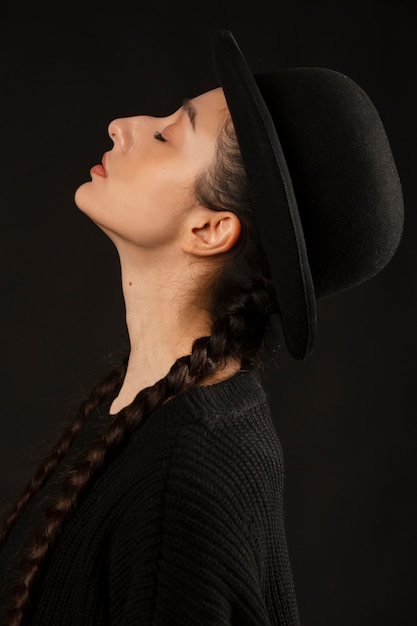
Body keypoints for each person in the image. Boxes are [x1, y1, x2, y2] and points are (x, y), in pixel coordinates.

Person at [0, 29, 404, 626]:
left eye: (167, 134)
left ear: (210, 229)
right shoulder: (154, 408)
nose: (121, 124)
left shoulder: (182, 478)